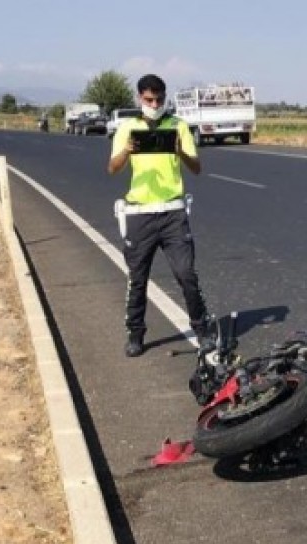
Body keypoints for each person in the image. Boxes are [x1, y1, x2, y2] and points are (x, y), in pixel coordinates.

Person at [108, 73, 211, 357]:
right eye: (148, 99)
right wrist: (127, 152)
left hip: (173, 213)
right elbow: (112, 168)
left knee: (186, 273)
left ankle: (202, 330)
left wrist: (180, 151)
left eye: (159, 99)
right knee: (138, 277)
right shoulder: (127, 128)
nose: (154, 104)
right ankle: (135, 334)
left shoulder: (178, 127)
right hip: (140, 214)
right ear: (139, 98)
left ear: (166, 98)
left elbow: (196, 168)